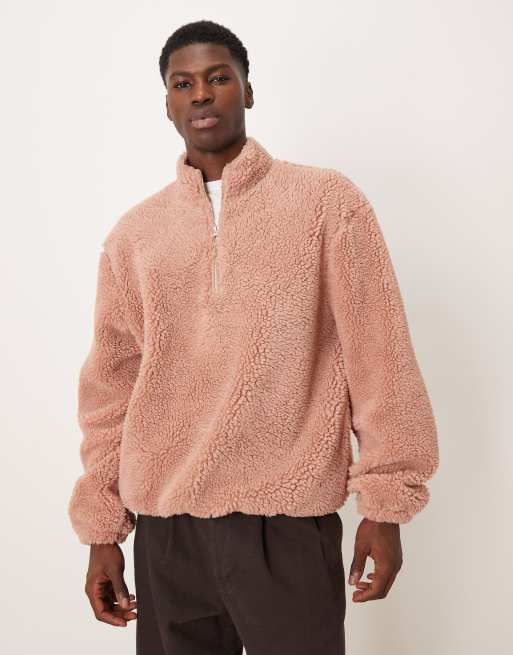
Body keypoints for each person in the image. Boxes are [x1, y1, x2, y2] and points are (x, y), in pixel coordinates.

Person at [68, 19, 439, 655]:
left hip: (287, 522)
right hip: (168, 530)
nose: (201, 94)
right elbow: (110, 390)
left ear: (247, 90)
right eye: (182, 83)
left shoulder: (326, 203)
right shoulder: (135, 236)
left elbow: (382, 360)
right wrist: (103, 530)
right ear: (166, 104)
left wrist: (386, 505)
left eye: (218, 78)